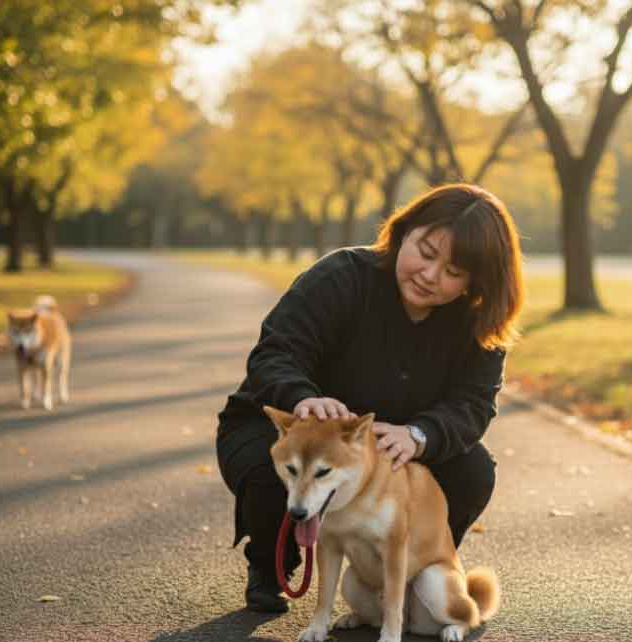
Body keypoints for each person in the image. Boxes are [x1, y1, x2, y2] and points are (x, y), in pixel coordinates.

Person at [215, 183, 525, 613]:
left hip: (390, 451)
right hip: (288, 428)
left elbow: (473, 404)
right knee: (281, 469)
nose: (430, 275)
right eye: (426, 252)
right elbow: (276, 352)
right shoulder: (341, 276)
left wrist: (421, 434)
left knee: (473, 471)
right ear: (404, 231)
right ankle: (271, 559)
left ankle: (411, 569)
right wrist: (303, 399)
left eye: (454, 272)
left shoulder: (478, 324)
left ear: (475, 282)